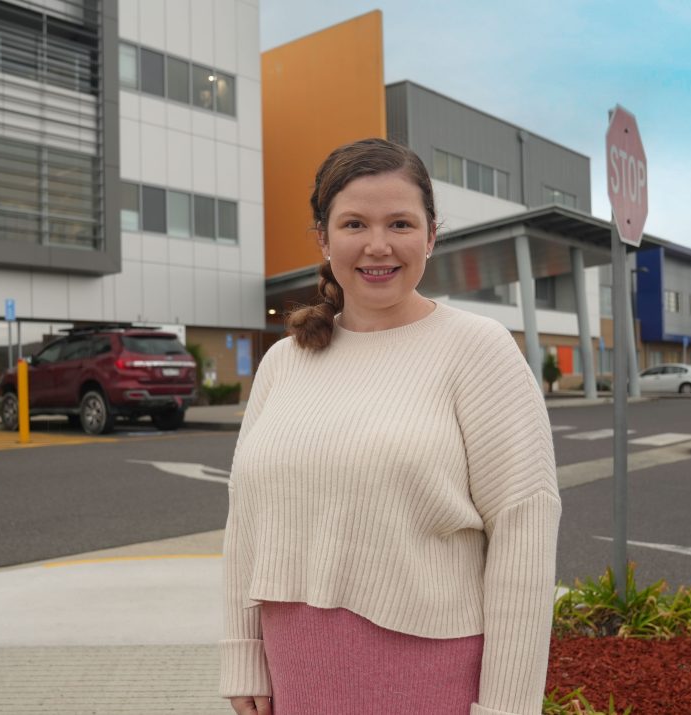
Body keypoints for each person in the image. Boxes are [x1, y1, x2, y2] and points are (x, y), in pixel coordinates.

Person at [219, 138, 561, 715]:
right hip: (295, 670)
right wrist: (242, 652)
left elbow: (524, 530)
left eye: (400, 223)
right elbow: (245, 519)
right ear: (325, 239)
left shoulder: (478, 350)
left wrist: (507, 706)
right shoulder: (285, 362)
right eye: (354, 223)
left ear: (431, 234)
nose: (378, 246)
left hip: (429, 673)